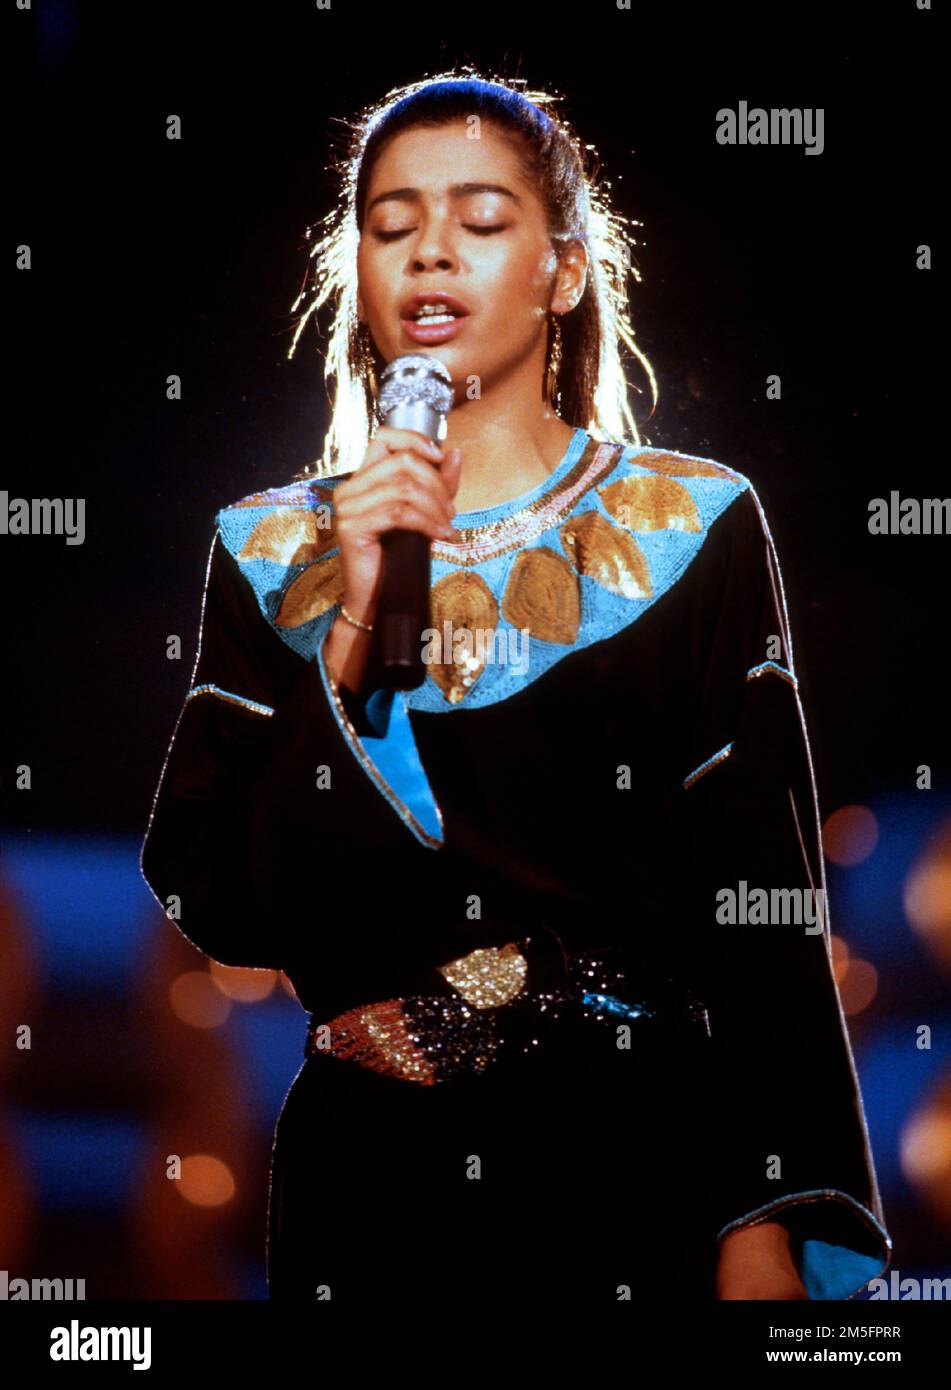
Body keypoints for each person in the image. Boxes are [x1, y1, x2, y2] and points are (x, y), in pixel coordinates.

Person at [140, 71, 892, 1305]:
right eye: (393, 225)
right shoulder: (269, 551)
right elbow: (220, 898)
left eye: (481, 220)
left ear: (564, 269)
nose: (432, 250)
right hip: (366, 1178)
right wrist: (348, 622)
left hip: (628, 1161)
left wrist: (769, 1211)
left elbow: (762, 903)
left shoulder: (689, 528)